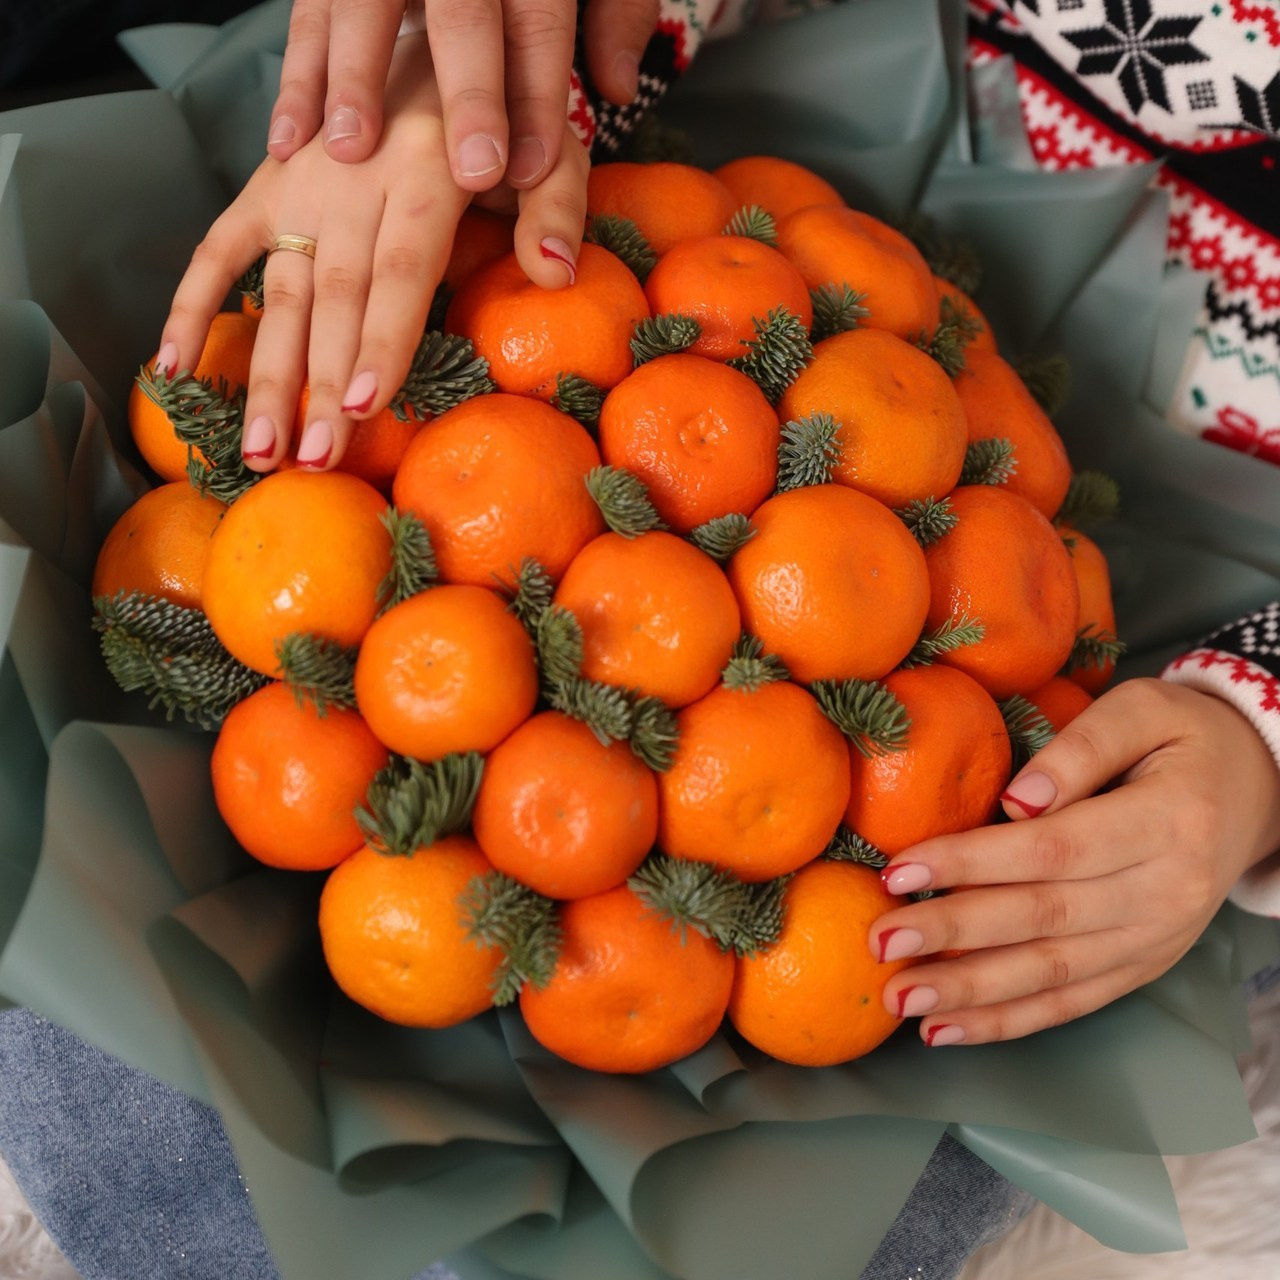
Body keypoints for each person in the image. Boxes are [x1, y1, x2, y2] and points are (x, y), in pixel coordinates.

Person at [1, 2, 1277, 1278]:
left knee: (865, 1170)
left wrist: (1257, 741)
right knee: (113, 986)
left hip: (1130, 660)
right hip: (709, 204)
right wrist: (494, 68)